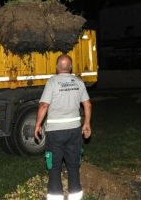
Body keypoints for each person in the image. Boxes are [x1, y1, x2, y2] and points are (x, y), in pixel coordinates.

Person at [34, 54, 92, 200]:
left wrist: (38, 125)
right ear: (70, 67)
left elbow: (44, 105)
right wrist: (87, 124)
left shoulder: (52, 82)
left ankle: (55, 197)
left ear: (57, 67)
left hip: (55, 133)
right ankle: (75, 196)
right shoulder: (78, 82)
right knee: (73, 165)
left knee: (54, 166)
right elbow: (88, 104)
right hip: (74, 131)